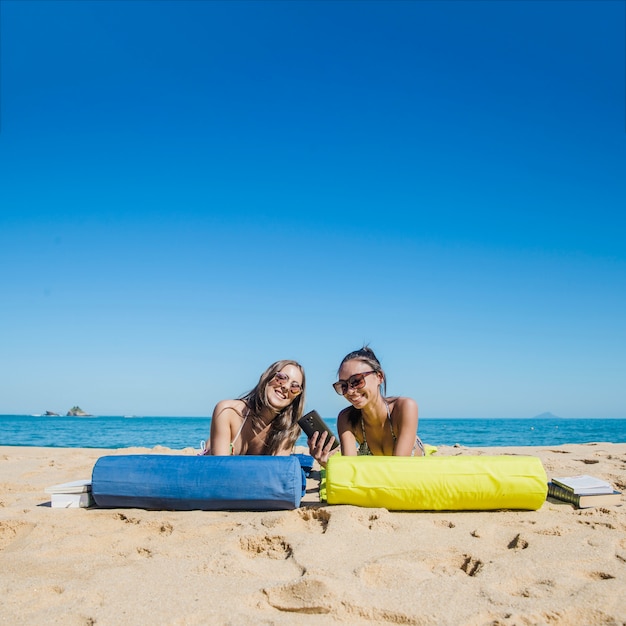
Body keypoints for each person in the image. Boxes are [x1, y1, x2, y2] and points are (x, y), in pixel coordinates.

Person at [308, 347, 424, 466]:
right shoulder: (346, 418)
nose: (350, 391)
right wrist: (325, 463)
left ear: (379, 377)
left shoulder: (404, 407)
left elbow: (399, 468)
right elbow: (350, 468)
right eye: (343, 385)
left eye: (357, 381)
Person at [201, 360, 306, 456]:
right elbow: (220, 469)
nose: (286, 387)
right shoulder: (228, 411)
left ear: (296, 397)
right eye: (282, 378)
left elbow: (276, 472)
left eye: (295, 387)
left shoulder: (288, 428)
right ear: (268, 377)